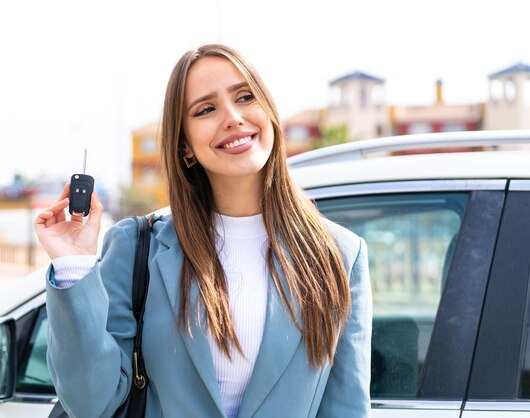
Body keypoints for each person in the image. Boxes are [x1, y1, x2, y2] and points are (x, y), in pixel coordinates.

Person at [35, 43, 372, 418]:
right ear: (185, 147)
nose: (232, 118)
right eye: (206, 109)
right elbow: (89, 402)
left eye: (245, 97)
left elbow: (345, 408)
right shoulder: (137, 249)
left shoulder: (340, 254)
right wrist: (73, 265)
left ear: (269, 113)